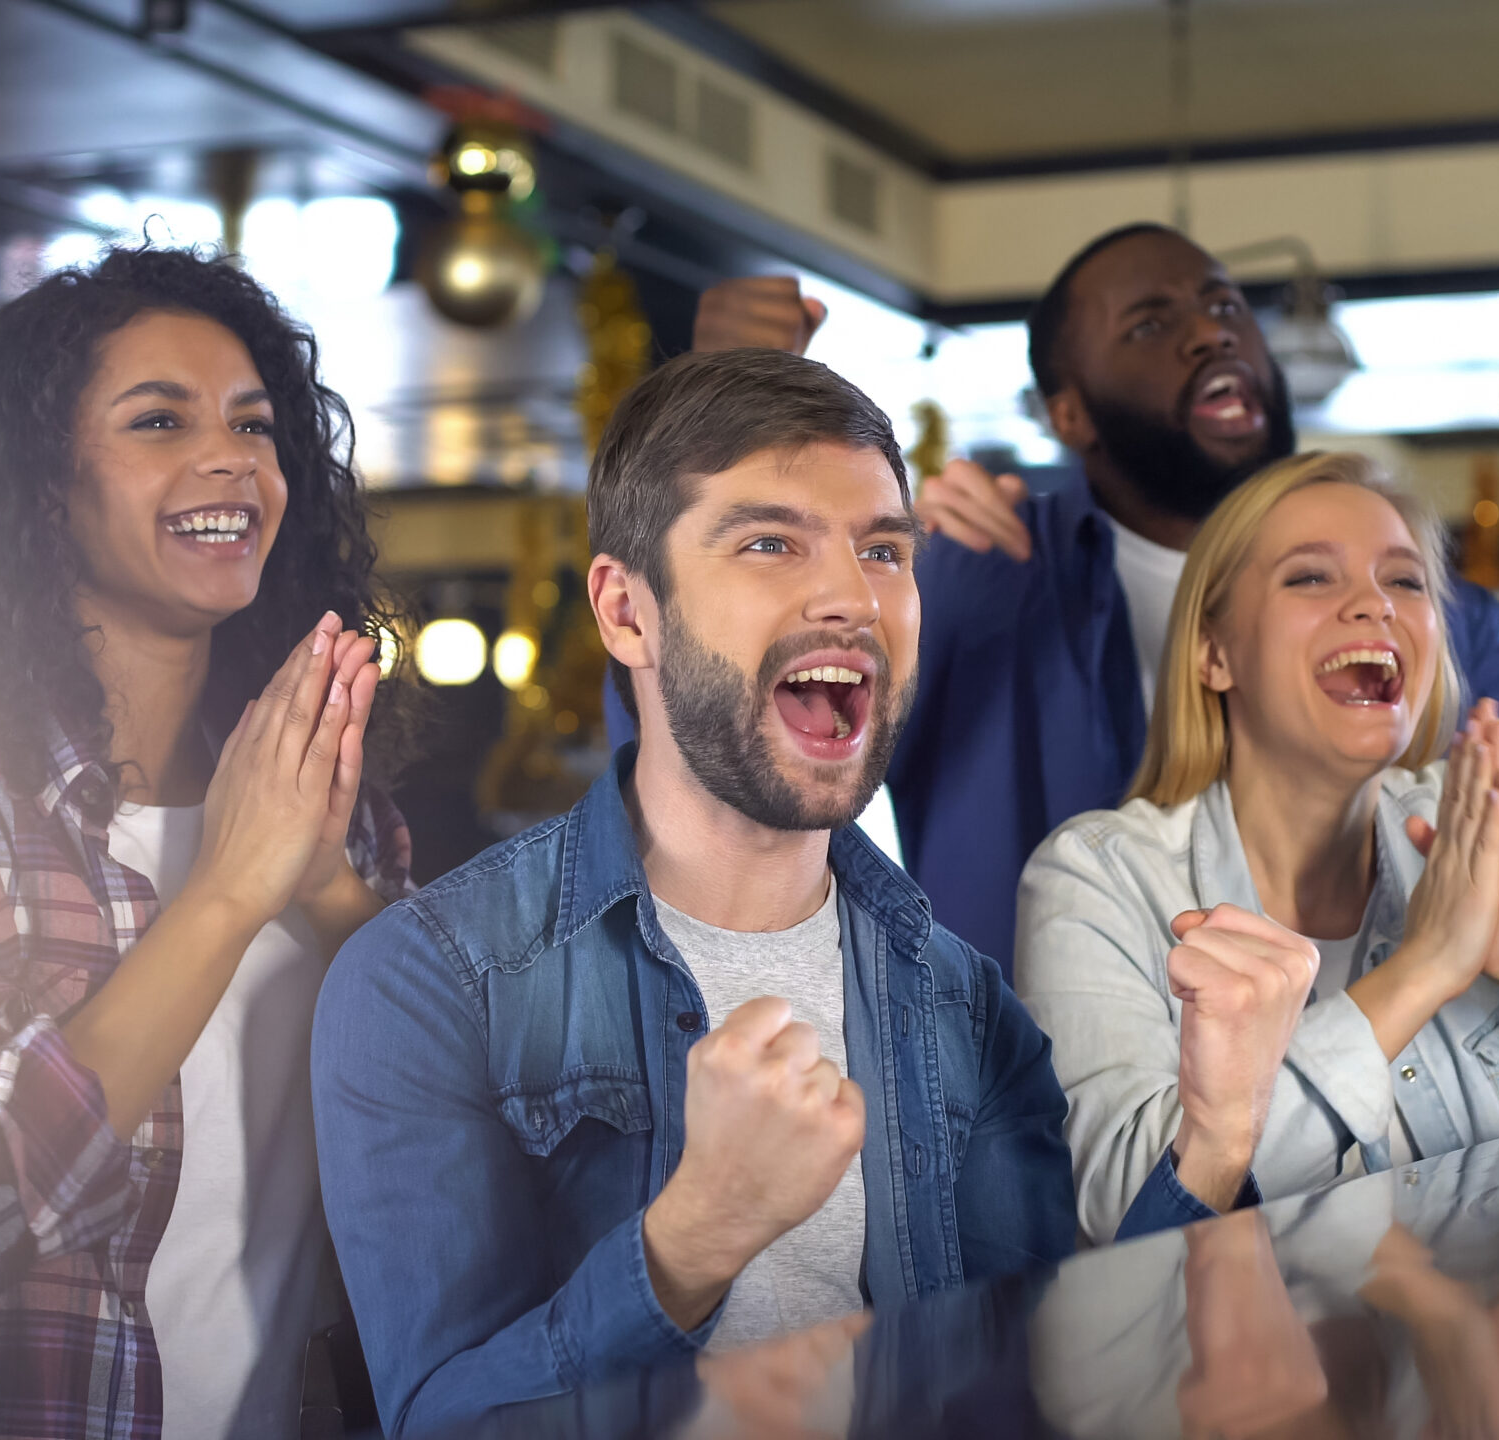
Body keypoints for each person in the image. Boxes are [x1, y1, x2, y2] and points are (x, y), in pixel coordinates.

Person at [312, 349, 1155, 1436]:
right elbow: (442, 1424)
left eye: (883, 551)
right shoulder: (427, 984)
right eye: (769, 542)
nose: (852, 597)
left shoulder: (970, 1010)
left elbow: (1040, 1388)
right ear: (627, 614)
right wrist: (694, 1238)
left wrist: (1211, 1154)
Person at [693, 228, 1499, 968]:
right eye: (1151, 324)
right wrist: (728, 431)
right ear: (1069, 414)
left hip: (1332, 1166)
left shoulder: (1404, 609)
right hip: (1034, 1198)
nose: (1211, 332)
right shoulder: (975, 573)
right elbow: (720, 761)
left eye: (1223, 306)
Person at [0, 248, 409, 1440]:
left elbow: (458, 1142)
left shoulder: (323, 790)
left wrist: (327, 890)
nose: (231, 457)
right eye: (158, 419)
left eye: (255, 426)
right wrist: (222, 895)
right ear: (40, 487)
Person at [1012, 452, 1499, 1243]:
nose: (1376, 606)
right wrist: (1425, 969)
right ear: (1214, 654)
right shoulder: (1097, 879)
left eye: (1405, 581)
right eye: (1312, 577)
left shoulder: (1487, 838)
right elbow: (1122, 1209)